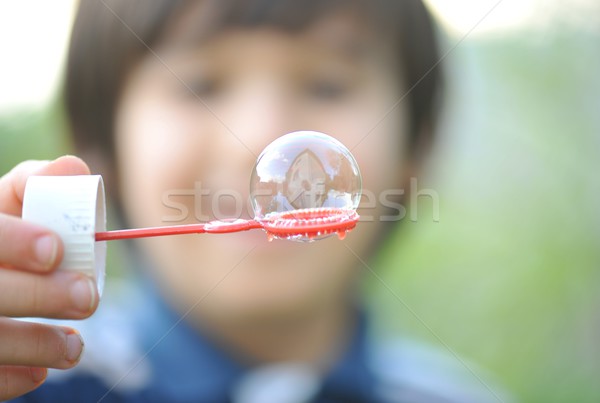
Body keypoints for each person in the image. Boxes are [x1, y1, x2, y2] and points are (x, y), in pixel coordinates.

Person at [0, 0, 506, 402]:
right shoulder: (33, 380)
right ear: (105, 145)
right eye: (198, 85)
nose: (257, 136)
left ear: (412, 150)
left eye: (327, 86)